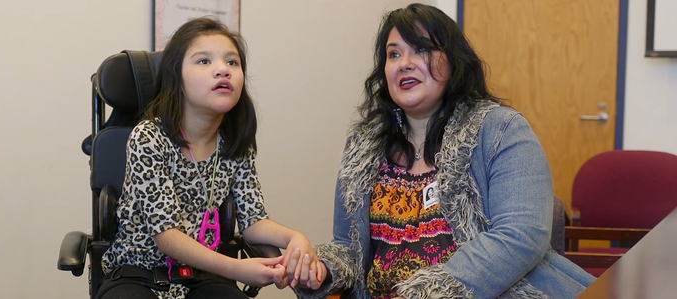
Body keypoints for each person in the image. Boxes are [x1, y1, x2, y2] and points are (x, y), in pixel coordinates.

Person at [288, 3, 596, 299]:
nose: (405, 62)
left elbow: (520, 236)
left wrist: (427, 293)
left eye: (421, 49)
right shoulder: (363, 146)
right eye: (394, 54)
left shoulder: (501, 129)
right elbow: (348, 246)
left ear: (453, 60)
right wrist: (322, 270)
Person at [96, 17, 319, 299]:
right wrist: (237, 268)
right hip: (137, 274)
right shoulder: (149, 137)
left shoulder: (235, 143)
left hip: (202, 279)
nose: (222, 70)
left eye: (232, 63)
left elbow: (253, 221)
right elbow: (167, 236)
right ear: (176, 77)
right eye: (204, 61)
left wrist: (295, 239)